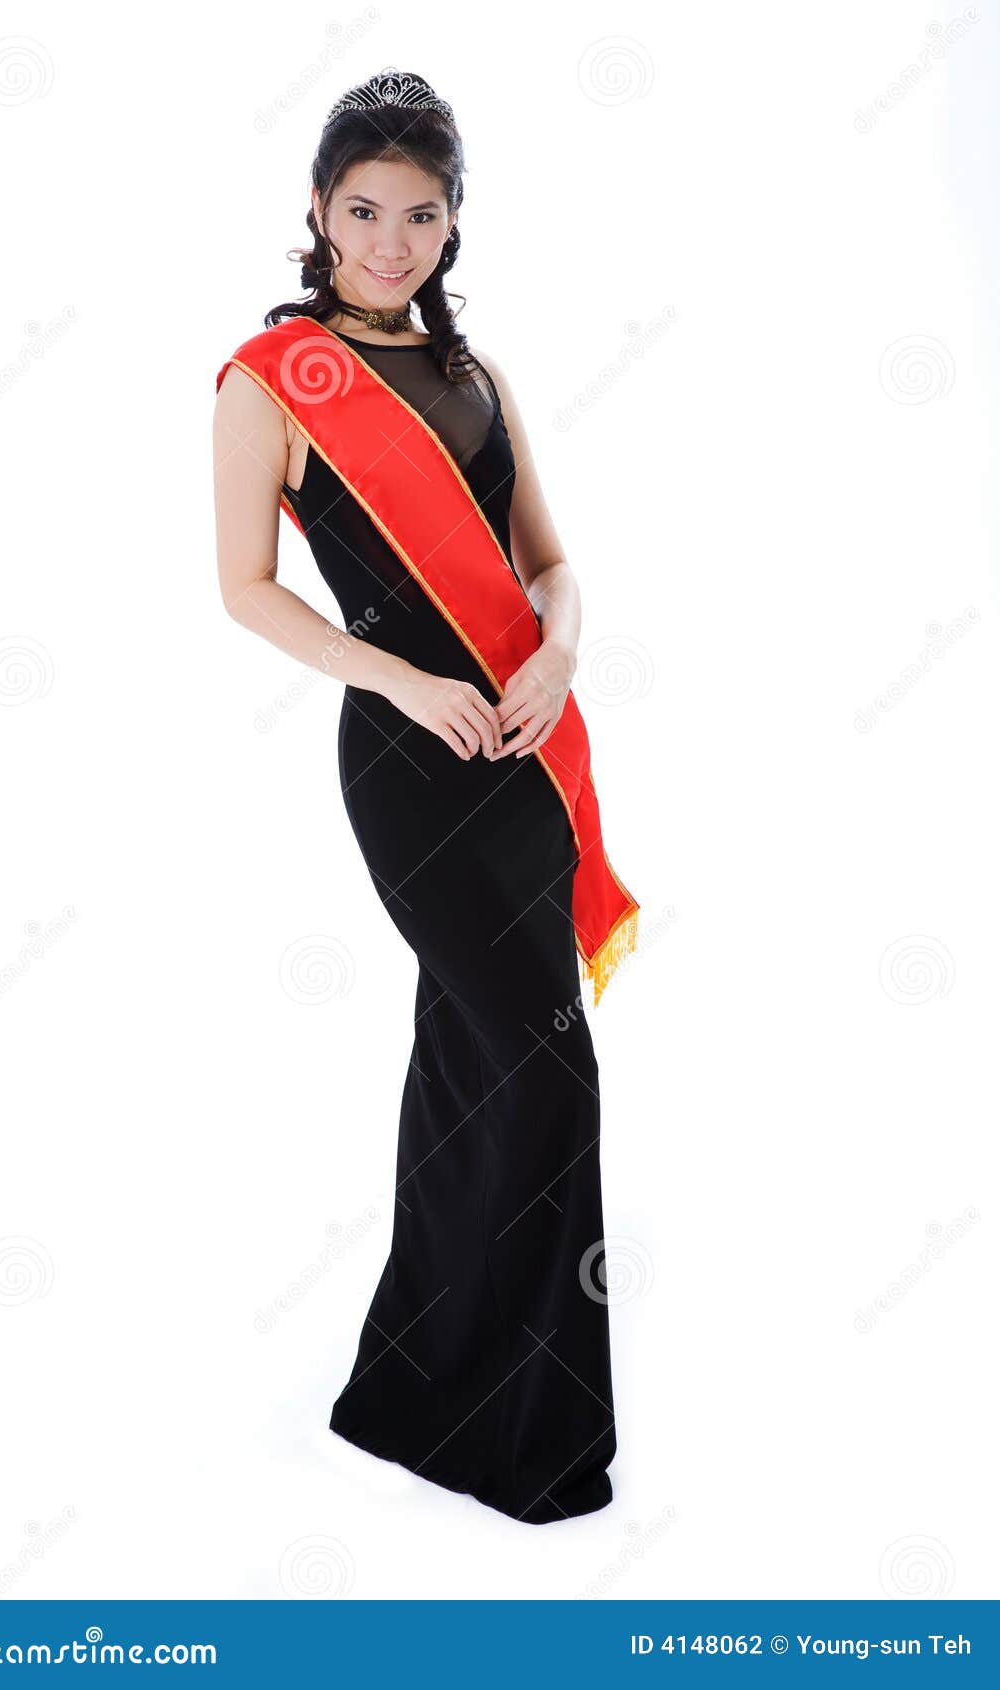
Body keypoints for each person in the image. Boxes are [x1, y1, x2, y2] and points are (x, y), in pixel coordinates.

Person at [213, 67, 638, 1523]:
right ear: (318, 217)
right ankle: (519, 1430)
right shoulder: (275, 381)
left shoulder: (481, 376)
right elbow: (245, 592)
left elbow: (550, 562)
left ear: (454, 226)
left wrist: (561, 652)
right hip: (408, 760)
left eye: (421, 214)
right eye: (363, 212)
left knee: (477, 1060)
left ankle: (417, 1389)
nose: (390, 241)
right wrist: (401, 681)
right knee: (541, 1061)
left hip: (520, 747)